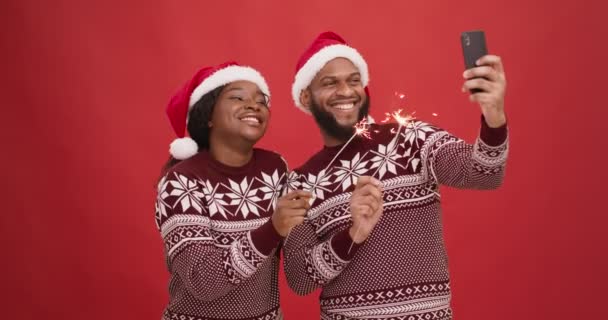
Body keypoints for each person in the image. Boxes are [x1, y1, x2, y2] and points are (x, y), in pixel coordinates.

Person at [283, 31, 509, 319]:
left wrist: (494, 115)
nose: (346, 91)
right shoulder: (298, 184)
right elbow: (300, 280)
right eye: (330, 83)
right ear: (305, 96)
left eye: (354, 80)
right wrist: (354, 234)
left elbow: (484, 173)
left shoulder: (412, 139)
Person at [155, 62, 311, 320]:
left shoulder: (274, 168)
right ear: (207, 116)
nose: (254, 105)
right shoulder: (180, 181)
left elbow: (302, 274)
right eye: (238, 97)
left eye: (262, 101)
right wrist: (272, 229)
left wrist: (351, 230)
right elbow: (202, 281)